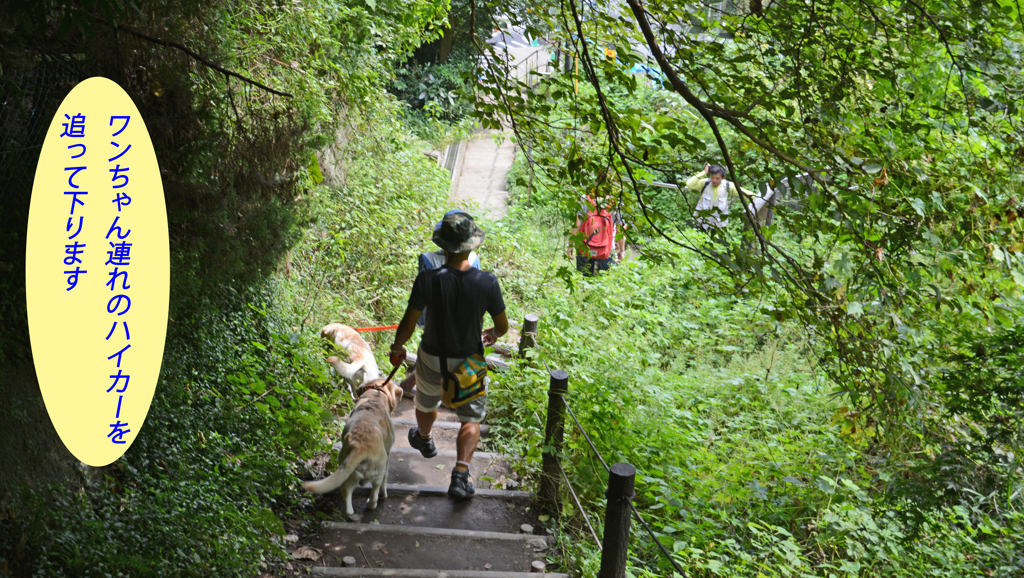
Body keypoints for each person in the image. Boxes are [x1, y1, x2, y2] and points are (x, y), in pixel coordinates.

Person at [389, 211, 508, 500]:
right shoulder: (487, 282)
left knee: (427, 401)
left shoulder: (428, 278)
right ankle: (460, 475)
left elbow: (408, 322)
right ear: (472, 244)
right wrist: (492, 332)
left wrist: (397, 348)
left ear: (442, 246)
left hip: (431, 356)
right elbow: (502, 327)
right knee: (471, 418)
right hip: (468, 361)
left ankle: (425, 439)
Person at [399, 211, 482, 398]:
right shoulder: (474, 260)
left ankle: (423, 381)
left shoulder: (427, 258)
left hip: (433, 316)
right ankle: (458, 390)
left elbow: (423, 293)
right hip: (464, 320)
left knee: (430, 345)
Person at [686, 163, 756, 231]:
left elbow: (748, 194)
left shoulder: (728, 186)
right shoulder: (705, 183)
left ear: (723, 177)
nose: (714, 180)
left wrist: (760, 198)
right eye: (712, 177)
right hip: (700, 222)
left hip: (718, 225)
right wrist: (704, 172)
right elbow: (689, 184)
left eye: (717, 178)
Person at [569, 195, 617, 275]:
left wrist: (570, 244)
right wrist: (621, 251)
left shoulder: (584, 199)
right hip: (606, 249)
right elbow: (619, 228)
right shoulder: (613, 201)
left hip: (584, 246)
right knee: (606, 280)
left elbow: (578, 225)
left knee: (584, 278)